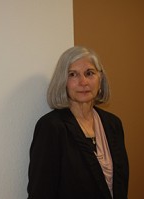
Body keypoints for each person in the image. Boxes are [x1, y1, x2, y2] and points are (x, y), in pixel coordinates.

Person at [27, 46, 129, 199]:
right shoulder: (51, 127)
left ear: (100, 79)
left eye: (89, 73)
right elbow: (40, 192)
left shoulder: (113, 124)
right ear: (63, 82)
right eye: (73, 74)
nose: (83, 82)